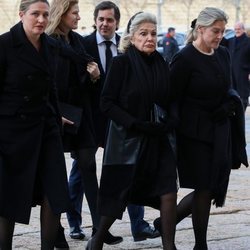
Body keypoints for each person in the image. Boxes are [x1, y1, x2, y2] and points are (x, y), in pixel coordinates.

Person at [66, 0, 159, 243]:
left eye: (110, 20)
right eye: (101, 19)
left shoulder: (128, 46)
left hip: (119, 122)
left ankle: (138, 225)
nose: (105, 24)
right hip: (89, 120)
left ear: (117, 22)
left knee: (129, 170)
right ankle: (75, 223)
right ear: (95, 21)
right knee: (80, 172)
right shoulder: (82, 44)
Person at [86, 11, 178, 250]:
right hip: (129, 140)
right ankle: (97, 240)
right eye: (143, 33)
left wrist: (170, 120)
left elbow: (169, 98)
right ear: (132, 36)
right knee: (119, 194)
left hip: (158, 138)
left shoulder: (161, 62)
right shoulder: (122, 62)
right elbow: (106, 102)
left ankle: (170, 246)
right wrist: (134, 123)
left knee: (168, 192)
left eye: (153, 34)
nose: (150, 38)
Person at [166, 7, 248, 250]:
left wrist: (228, 104)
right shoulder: (185, 58)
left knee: (214, 187)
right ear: (200, 29)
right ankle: (200, 244)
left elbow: (228, 86)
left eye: (223, 31)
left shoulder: (223, 54)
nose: (220, 35)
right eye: (215, 30)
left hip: (219, 130)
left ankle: (166, 221)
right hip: (193, 133)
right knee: (204, 187)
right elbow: (172, 97)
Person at [0, 0, 71, 249]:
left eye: (45, 15)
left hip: (46, 129)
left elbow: (50, 86)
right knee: (8, 197)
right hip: (12, 134)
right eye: (35, 14)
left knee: (55, 194)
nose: (41, 20)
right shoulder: (5, 44)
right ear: (22, 15)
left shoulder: (50, 45)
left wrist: (56, 114)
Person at [46, 0, 100, 247]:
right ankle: (56, 231)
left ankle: (100, 227)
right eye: (75, 13)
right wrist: (54, 112)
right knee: (54, 176)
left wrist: (94, 74)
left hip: (80, 114)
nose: (79, 17)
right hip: (55, 114)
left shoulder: (77, 41)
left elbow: (88, 74)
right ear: (63, 14)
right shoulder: (47, 42)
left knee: (88, 164)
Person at [227, 22, 250, 111]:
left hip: (244, 72)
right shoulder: (230, 41)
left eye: (239, 29)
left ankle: (242, 111)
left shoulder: (248, 42)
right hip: (232, 72)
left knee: (243, 95)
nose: (237, 31)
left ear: (243, 29)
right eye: (235, 29)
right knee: (233, 93)